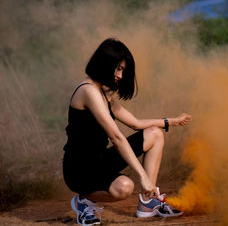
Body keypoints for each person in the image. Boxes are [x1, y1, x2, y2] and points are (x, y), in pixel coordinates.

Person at [63, 38, 192, 225]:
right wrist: (143, 178)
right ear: (105, 63)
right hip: (79, 169)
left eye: (123, 70)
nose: (120, 75)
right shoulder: (88, 91)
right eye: (118, 68)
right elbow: (116, 137)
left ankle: (148, 203)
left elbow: (136, 124)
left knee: (155, 133)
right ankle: (84, 200)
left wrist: (171, 121)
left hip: (100, 161)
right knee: (125, 188)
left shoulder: (103, 94)